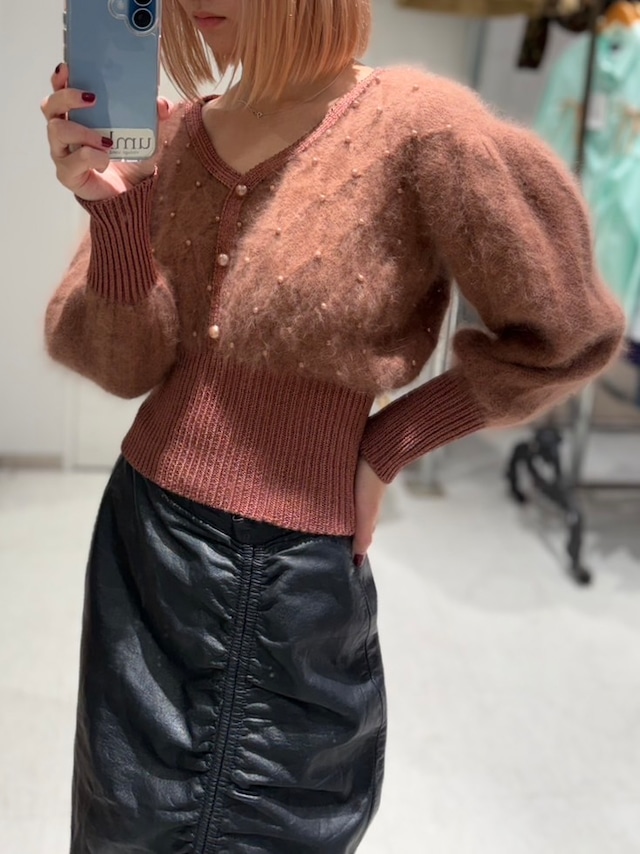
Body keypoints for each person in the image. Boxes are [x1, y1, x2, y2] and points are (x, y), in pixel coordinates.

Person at [40, 1, 625, 852]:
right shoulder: (175, 137)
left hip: (287, 577)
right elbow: (124, 365)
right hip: (140, 543)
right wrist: (116, 213)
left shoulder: (423, 132)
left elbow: (568, 333)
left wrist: (391, 444)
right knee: (116, 822)